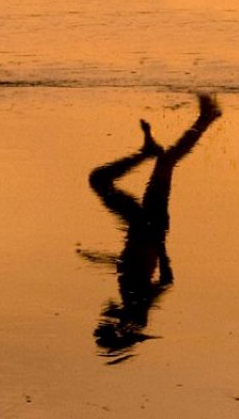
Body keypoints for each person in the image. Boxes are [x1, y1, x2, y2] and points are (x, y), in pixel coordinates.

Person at [83, 93, 221, 362]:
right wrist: (160, 244)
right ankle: (155, 147)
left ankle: (205, 119)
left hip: (145, 227)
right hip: (146, 226)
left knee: (165, 163)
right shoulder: (136, 306)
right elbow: (166, 279)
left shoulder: (133, 303)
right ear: (118, 329)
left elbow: (145, 271)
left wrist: (108, 259)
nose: (104, 318)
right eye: (105, 326)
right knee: (100, 180)